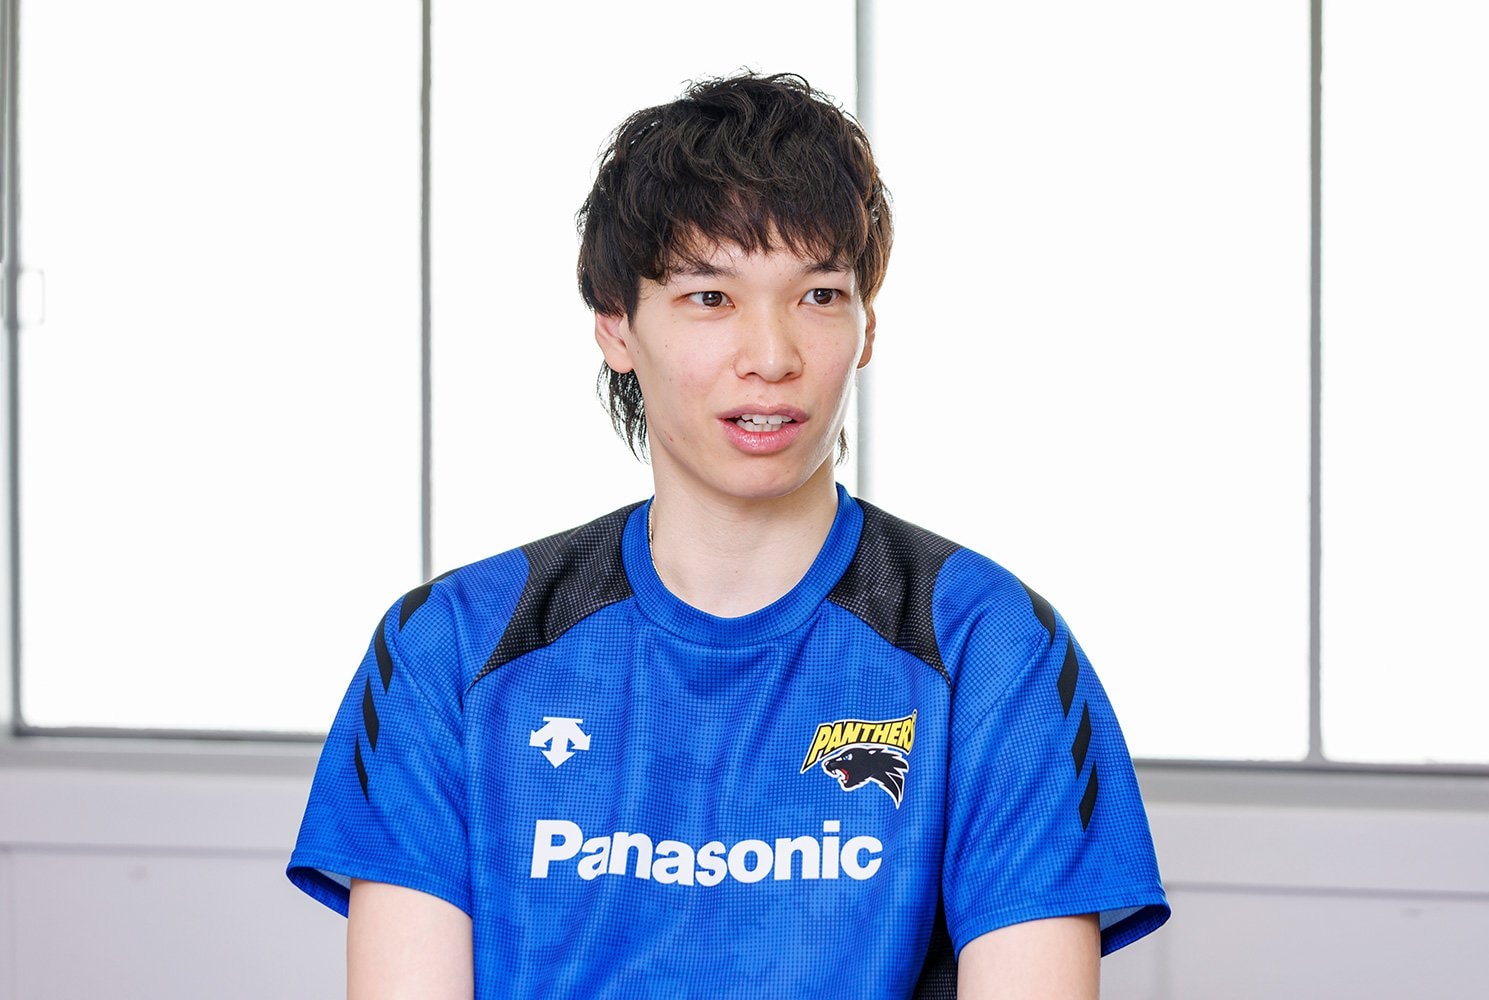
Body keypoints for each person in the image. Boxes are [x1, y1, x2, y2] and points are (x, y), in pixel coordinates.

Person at [288, 72, 1169, 999]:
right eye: (710, 297)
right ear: (616, 325)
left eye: (819, 294)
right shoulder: (452, 646)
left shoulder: (993, 648)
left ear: (867, 326)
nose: (774, 357)